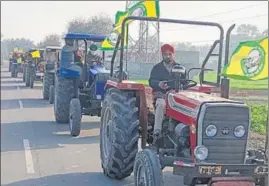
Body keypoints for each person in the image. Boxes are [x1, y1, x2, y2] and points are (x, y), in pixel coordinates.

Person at [149, 44, 185, 139]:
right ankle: (157, 132)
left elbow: (185, 83)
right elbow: (151, 81)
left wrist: (180, 87)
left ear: (173, 54)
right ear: (162, 55)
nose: (168, 56)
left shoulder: (180, 68)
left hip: (176, 95)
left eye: (170, 54)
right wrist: (159, 84)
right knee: (161, 104)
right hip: (162, 94)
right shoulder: (157, 68)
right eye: (165, 54)